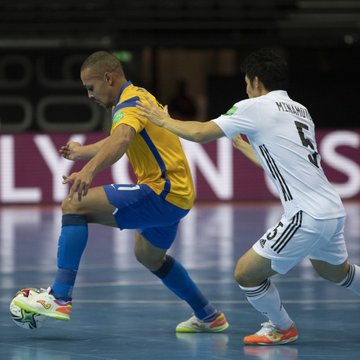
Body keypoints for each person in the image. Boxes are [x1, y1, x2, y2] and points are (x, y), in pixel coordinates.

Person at [136, 47, 360, 345]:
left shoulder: (253, 107)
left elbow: (201, 132)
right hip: (331, 210)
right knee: (336, 272)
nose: (246, 87)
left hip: (306, 215)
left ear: (255, 80)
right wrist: (244, 147)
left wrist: (162, 120)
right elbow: (285, 163)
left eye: (245, 81)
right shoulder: (300, 110)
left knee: (246, 274)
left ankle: (281, 327)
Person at [14, 50, 229, 334]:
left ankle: (59, 296)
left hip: (161, 190)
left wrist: (89, 170)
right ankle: (208, 315)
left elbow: (122, 139)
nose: (90, 95)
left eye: (91, 88)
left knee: (74, 205)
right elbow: (118, 137)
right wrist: (83, 152)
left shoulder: (127, 105)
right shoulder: (139, 95)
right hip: (178, 196)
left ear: (108, 78)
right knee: (149, 256)